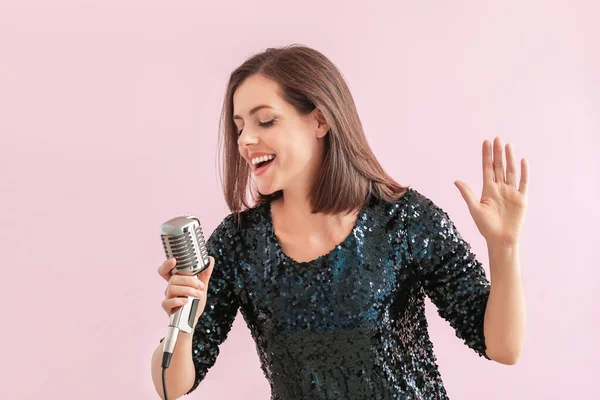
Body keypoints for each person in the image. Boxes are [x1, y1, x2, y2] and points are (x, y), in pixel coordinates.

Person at [150, 44, 528, 399]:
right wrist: (183, 323)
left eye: (265, 121)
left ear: (320, 120)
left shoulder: (403, 219)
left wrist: (504, 247)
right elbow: (172, 387)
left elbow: (503, 348)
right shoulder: (238, 242)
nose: (245, 139)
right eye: (239, 126)